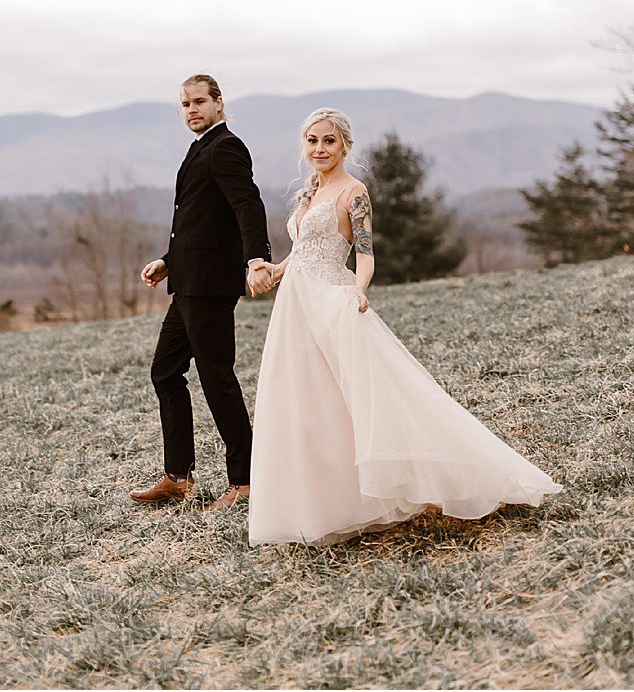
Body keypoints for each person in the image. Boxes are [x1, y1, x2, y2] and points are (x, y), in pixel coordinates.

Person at [245, 108, 561, 545]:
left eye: (329, 141)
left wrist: (358, 290)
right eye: (313, 141)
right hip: (295, 307)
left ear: (345, 146)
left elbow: (365, 255)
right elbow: (300, 256)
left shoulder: (355, 193)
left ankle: (467, 473)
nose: (320, 149)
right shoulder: (310, 192)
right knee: (309, 401)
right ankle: (325, 503)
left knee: (369, 395)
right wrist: (269, 271)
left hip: (333, 301)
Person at [134, 74, 272, 511]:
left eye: (199, 101)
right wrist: (168, 261)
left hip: (210, 286)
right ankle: (179, 477)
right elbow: (198, 222)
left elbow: (246, 205)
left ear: (218, 103)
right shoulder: (200, 148)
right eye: (185, 104)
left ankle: (245, 481)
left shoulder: (226, 146)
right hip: (188, 282)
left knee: (217, 376)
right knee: (165, 371)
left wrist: (255, 259)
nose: (192, 109)